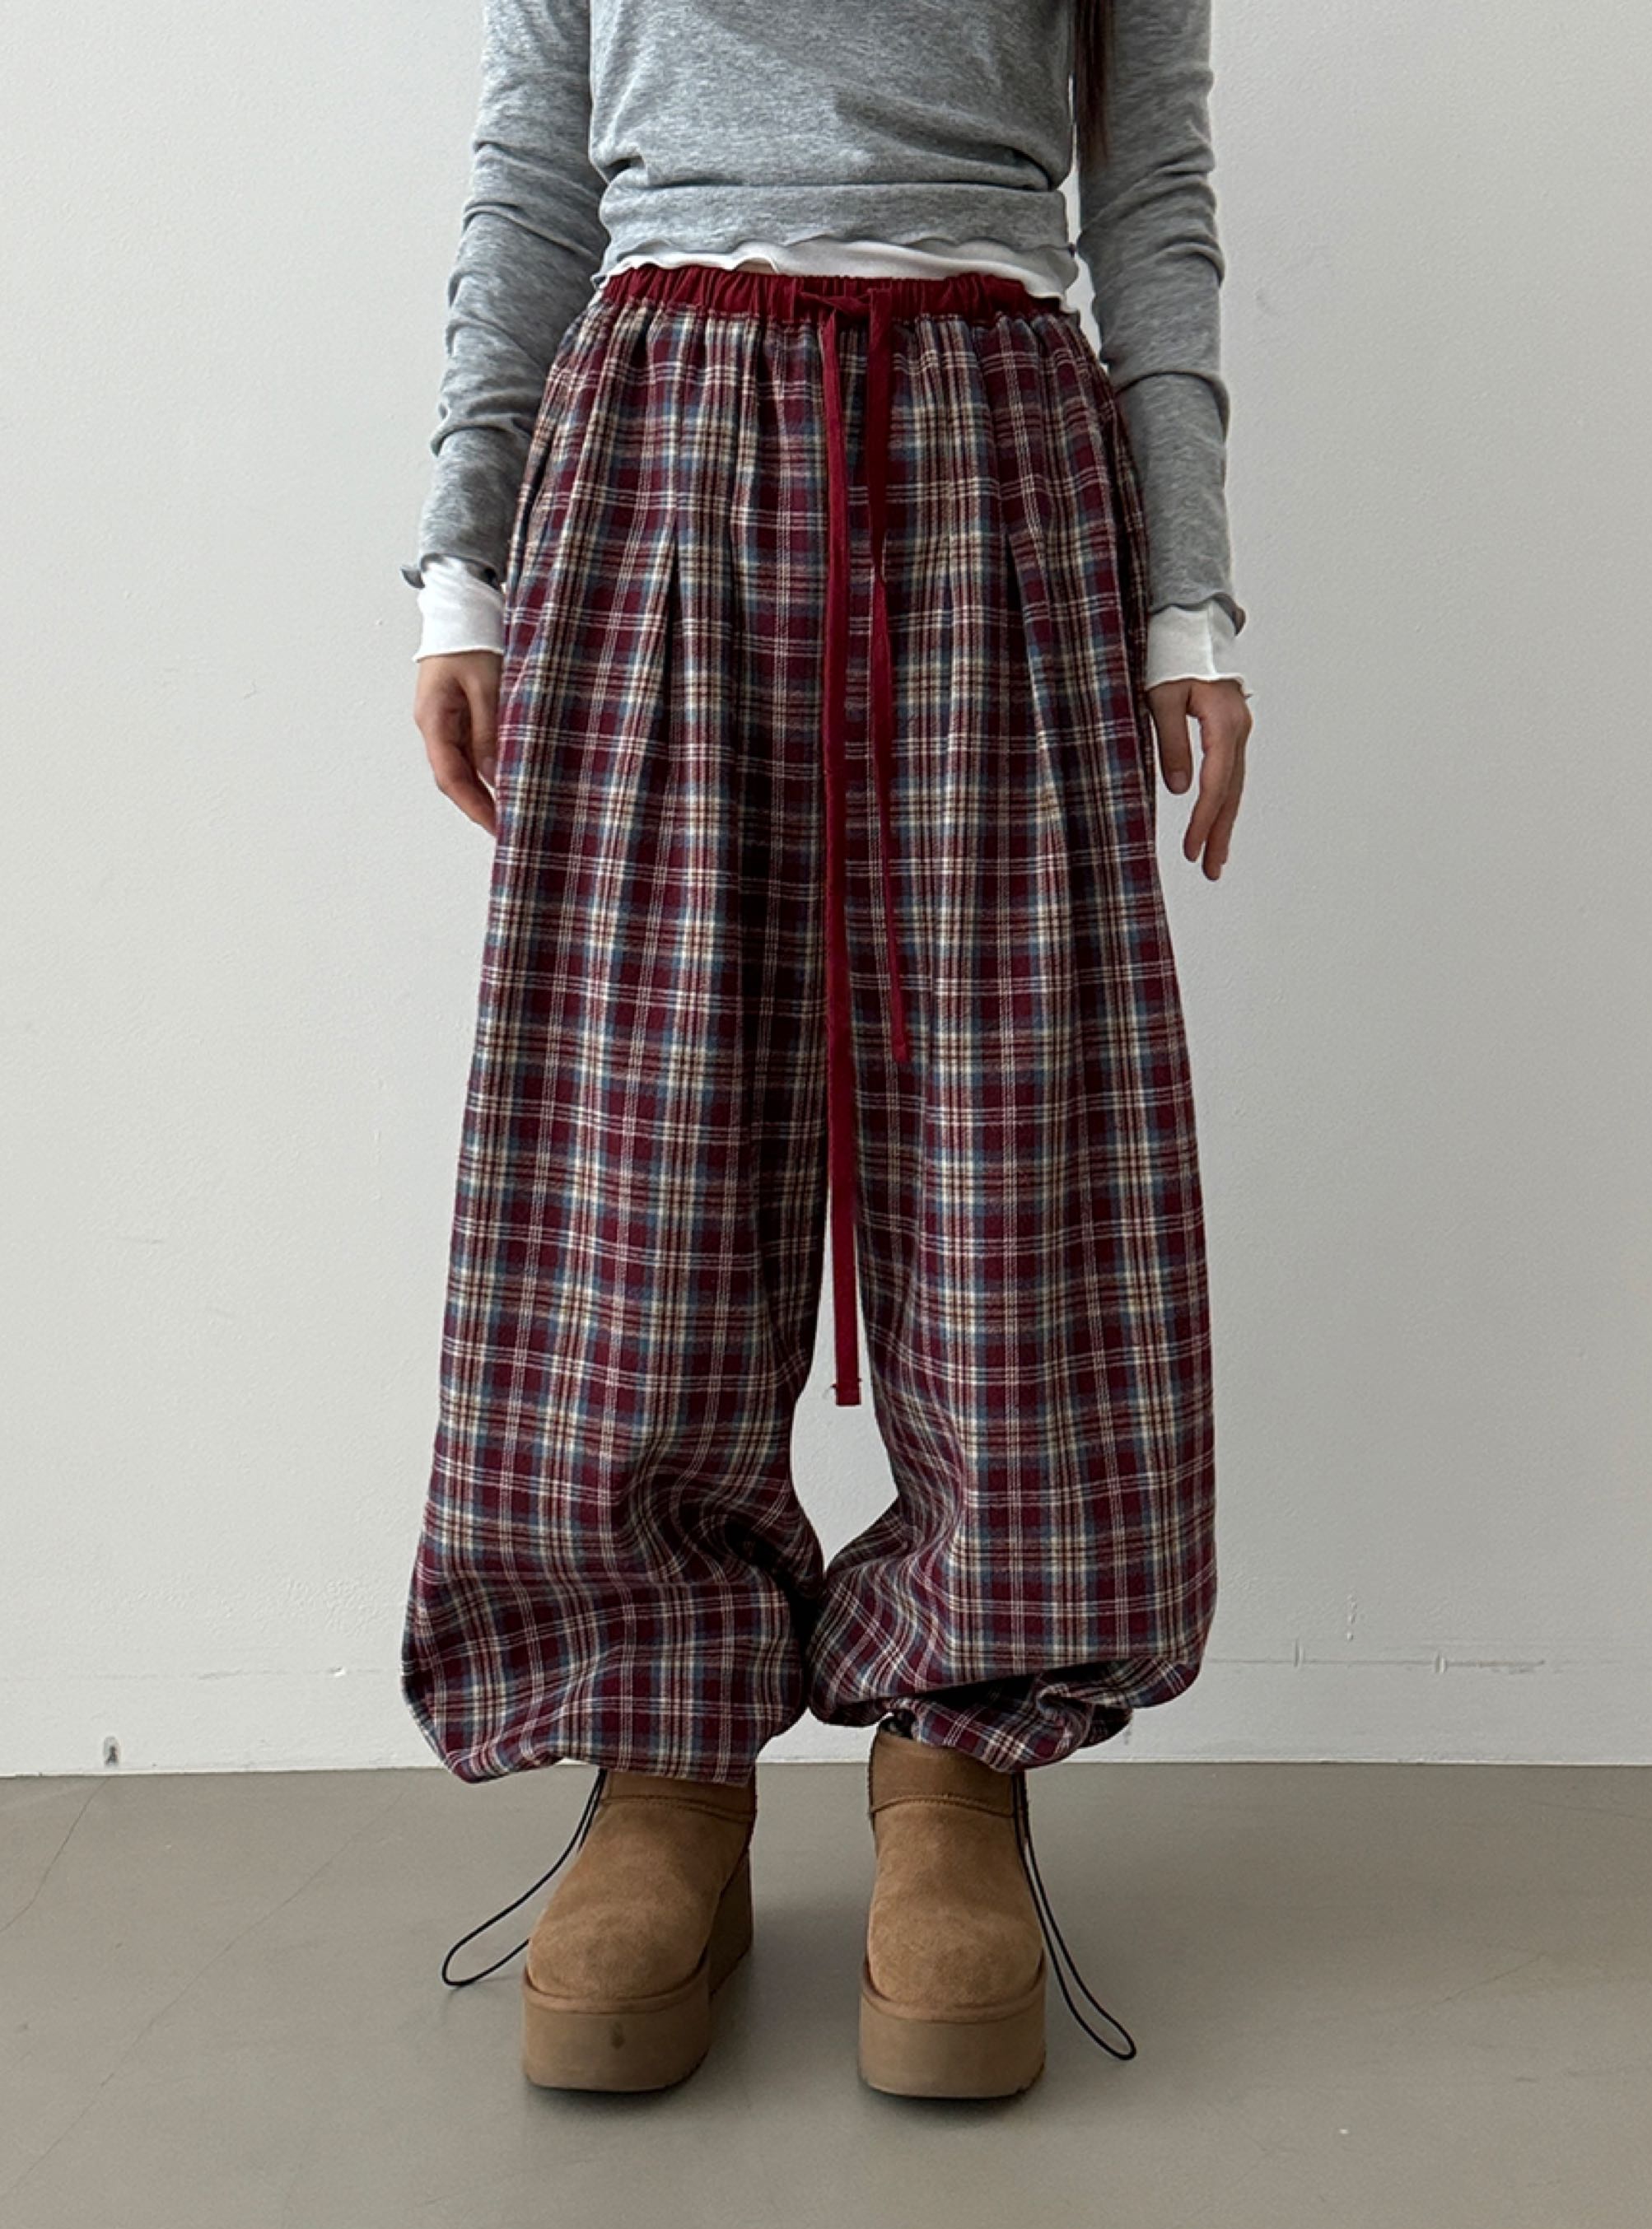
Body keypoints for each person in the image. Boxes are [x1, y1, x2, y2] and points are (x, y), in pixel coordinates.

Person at [400, 0, 1251, 2100]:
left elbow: (1149, 183)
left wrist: (1192, 605)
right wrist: (461, 566)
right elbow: (533, 165)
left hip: (992, 429)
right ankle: (662, 1760)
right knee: (644, 1121)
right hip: (659, 424)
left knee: (1012, 1123)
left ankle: (959, 1752)